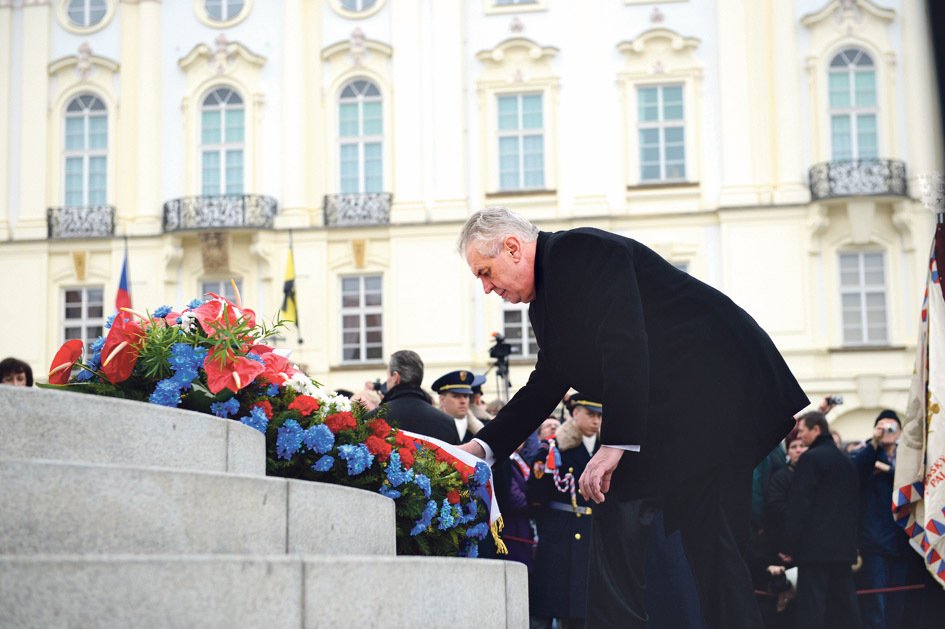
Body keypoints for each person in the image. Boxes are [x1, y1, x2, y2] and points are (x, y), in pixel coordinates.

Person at [456, 207, 809, 629]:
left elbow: (623, 339)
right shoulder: (545, 303)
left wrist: (613, 444)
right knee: (681, 531)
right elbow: (546, 384)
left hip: (719, 395)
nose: (486, 287)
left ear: (512, 248)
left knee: (679, 524)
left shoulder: (580, 251)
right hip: (680, 410)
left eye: (485, 271)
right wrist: (480, 448)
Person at [527, 393, 602, 629]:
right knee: (551, 598)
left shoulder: (605, 449)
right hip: (560, 532)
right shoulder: (554, 447)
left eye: (600, 415)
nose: (596, 420)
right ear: (574, 412)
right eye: (590, 414)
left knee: (586, 603)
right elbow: (536, 496)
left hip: (594, 532)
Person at [780, 411, 860, 629]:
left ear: (816, 430)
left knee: (812, 609)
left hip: (813, 551)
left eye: (803, 431)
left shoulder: (810, 459)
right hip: (843, 551)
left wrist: (789, 544)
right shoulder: (846, 461)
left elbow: (799, 506)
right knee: (844, 608)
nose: (801, 436)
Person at [852, 409, 910, 629]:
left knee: (899, 601)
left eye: (892, 427)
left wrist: (886, 469)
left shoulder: (907, 458)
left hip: (902, 537)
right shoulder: (868, 454)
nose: (887, 431)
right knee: (877, 602)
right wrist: (873, 444)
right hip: (875, 539)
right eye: (881, 427)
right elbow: (855, 472)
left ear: (901, 432)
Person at [366, 350, 459, 445]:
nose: (386, 381)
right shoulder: (447, 423)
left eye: (387, 375)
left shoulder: (371, 419)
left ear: (395, 377)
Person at [431, 369, 486, 444]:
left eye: (466, 396)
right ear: (442, 400)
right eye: (456, 396)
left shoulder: (482, 427)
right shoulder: (432, 428)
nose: (463, 401)